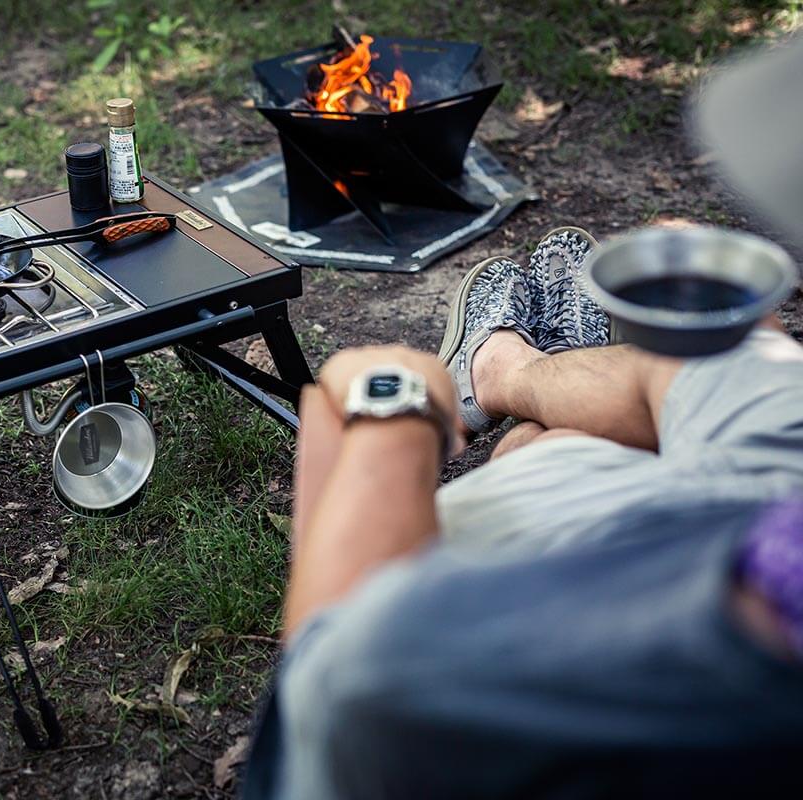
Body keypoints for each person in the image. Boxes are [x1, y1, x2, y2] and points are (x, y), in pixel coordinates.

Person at [240, 226, 803, 799]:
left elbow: (332, 662)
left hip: (422, 628)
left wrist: (398, 408)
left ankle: (496, 373)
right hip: (778, 514)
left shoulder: (453, 683)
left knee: (546, 446)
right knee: (714, 344)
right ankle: (527, 374)